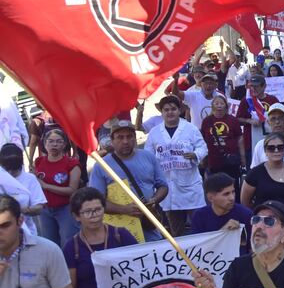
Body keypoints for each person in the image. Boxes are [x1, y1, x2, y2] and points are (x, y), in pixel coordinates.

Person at [88, 120, 168, 242]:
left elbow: (163, 186)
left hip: (148, 222)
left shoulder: (149, 157)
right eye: (120, 137)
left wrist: (154, 200)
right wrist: (124, 209)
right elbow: (96, 201)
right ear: (112, 140)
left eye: (129, 137)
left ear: (135, 138)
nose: (125, 141)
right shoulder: (101, 166)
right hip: (118, 229)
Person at [144, 95, 208, 237]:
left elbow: (202, 147)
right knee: (176, 231)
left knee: (199, 228)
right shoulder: (155, 133)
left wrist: (195, 155)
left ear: (179, 110)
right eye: (166, 110)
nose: (170, 112)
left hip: (190, 186)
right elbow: (148, 155)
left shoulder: (190, 129)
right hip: (168, 188)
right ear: (162, 112)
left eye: (173, 109)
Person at [34, 128, 82, 246]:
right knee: (50, 242)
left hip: (65, 208)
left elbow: (72, 190)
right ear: (45, 144)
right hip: (45, 209)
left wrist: (46, 186)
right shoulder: (39, 161)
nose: (54, 144)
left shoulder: (72, 164)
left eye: (59, 141)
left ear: (65, 144)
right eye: (50, 141)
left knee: (70, 240)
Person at [191, 173, 252, 255]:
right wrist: (223, 233)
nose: (232, 198)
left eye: (233, 192)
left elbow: (252, 249)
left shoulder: (245, 214)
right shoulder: (200, 216)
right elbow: (197, 249)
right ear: (210, 198)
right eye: (226, 194)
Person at [241, 132, 284, 211]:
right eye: (271, 148)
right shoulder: (255, 173)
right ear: (265, 151)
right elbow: (245, 202)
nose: (276, 151)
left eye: (280, 147)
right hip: (264, 220)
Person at [0, 143, 45, 235]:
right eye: (7, 169)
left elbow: (39, 207)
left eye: (14, 169)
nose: (10, 172)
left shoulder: (30, 179)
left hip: (26, 232)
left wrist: (20, 210)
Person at [201, 94, 245, 181]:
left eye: (221, 103)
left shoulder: (233, 120)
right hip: (213, 161)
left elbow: (240, 138)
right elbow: (203, 140)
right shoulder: (207, 121)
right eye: (216, 103)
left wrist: (243, 157)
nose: (219, 105)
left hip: (230, 160)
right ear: (212, 106)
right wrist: (202, 159)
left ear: (226, 105)